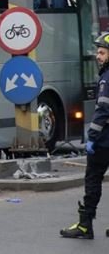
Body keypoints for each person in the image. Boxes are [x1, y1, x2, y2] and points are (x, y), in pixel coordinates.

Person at [60, 32, 109, 239]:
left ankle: (84, 225)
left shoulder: (106, 79)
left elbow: (103, 110)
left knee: (93, 180)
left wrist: (91, 138)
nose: (98, 56)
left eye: (102, 52)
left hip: (104, 141)